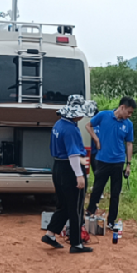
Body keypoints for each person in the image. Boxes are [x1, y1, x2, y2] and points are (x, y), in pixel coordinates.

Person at [42, 95, 96, 254]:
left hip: (58, 167)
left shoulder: (59, 124)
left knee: (64, 205)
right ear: (75, 113)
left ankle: (50, 233)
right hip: (69, 169)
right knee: (75, 207)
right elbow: (73, 155)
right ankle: (76, 243)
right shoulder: (71, 129)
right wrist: (79, 175)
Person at [86, 96, 136, 230]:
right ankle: (89, 212)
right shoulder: (103, 115)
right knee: (97, 189)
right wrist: (96, 139)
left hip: (118, 161)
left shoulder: (128, 124)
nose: (129, 115)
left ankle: (111, 221)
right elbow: (88, 125)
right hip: (102, 160)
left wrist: (128, 164)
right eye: (129, 112)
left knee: (115, 193)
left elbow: (129, 144)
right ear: (122, 107)